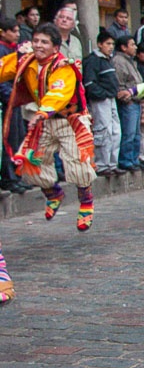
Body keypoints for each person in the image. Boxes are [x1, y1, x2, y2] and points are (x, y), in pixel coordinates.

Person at [0, 23, 97, 229]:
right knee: (29, 163)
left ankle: (86, 203)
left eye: (44, 42)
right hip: (42, 121)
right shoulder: (25, 60)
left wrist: (43, 112)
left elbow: (59, 93)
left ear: (55, 47)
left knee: (78, 165)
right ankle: (54, 193)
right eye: (35, 41)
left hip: (70, 121)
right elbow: (2, 68)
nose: (38, 45)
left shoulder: (64, 66)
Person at [83, 31, 122, 176]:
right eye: (108, 44)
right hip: (100, 101)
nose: (111, 47)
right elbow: (89, 83)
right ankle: (101, 164)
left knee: (115, 132)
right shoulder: (93, 60)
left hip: (111, 99)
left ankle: (112, 163)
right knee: (103, 131)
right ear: (99, 44)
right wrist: (103, 94)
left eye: (112, 44)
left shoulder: (108, 60)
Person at [0, 18, 28, 193]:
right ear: (3, 32)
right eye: (14, 31)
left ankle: (16, 176)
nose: (17, 34)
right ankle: (9, 178)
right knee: (8, 139)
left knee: (18, 137)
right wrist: (10, 95)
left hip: (15, 99)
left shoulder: (14, 49)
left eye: (18, 31)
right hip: (7, 101)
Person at [112, 35, 142, 171]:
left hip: (136, 100)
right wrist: (127, 99)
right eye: (132, 44)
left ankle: (134, 159)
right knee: (128, 133)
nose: (135, 47)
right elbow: (120, 83)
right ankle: (126, 160)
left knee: (136, 134)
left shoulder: (129, 60)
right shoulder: (119, 61)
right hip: (128, 102)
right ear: (124, 47)